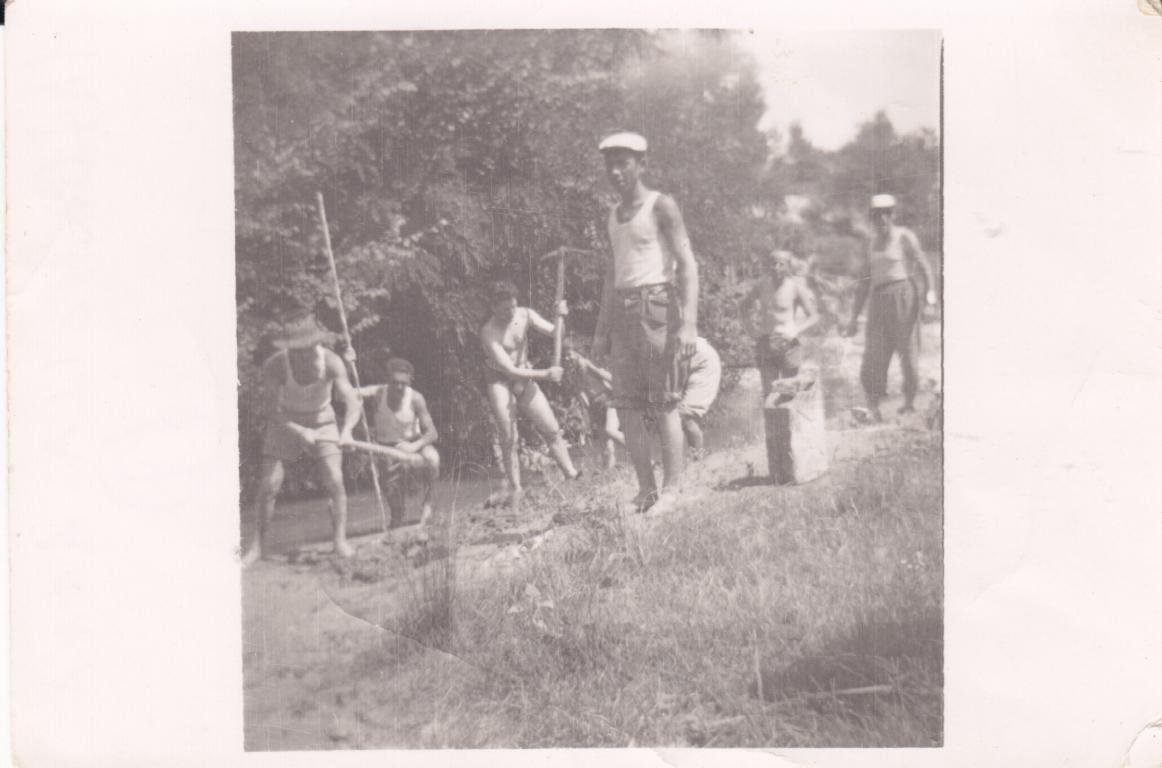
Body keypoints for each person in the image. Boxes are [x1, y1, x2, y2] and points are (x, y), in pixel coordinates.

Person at [592, 131, 699, 515]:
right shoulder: (611, 215)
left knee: (664, 401)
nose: (616, 171)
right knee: (626, 405)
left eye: (623, 163)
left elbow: (687, 265)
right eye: (610, 164)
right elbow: (612, 275)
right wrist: (601, 331)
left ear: (641, 165)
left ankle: (672, 490)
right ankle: (646, 490)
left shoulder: (661, 206)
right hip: (622, 312)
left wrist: (689, 324)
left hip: (657, 307)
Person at [242, 311, 362, 567]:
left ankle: (339, 541)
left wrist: (348, 431)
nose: (301, 354)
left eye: (305, 348)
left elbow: (352, 401)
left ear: (315, 343)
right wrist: (300, 431)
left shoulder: (332, 362)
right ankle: (257, 547)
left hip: (323, 419)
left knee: (335, 479)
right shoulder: (275, 365)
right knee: (269, 485)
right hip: (284, 421)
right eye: (295, 349)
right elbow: (271, 412)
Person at [479, 280, 581, 508]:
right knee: (509, 436)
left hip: (525, 375)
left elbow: (557, 333)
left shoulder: (525, 314)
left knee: (551, 428)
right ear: (493, 307)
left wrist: (560, 316)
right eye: (504, 309)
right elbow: (509, 370)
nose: (510, 312)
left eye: (513, 306)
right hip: (500, 381)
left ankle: (570, 473)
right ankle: (516, 488)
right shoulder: (488, 332)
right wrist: (546, 374)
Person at [842, 194, 937, 420]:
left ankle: (909, 404)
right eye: (877, 215)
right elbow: (863, 283)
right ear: (872, 217)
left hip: (903, 296)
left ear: (893, 215)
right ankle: (874, 405)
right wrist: (853, 318)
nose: (882, 219)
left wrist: (930, 301)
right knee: (873, 355)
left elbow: (924, 267)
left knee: (908, 353)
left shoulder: (904, 237)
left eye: (886, 214)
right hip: (879, 300)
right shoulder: (871, 243)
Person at [356, 356, 440, 527]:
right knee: (395, 505)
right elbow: (347, 392)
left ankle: (428, 505)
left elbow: (432, 433)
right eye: (395, 382)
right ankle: (397, 514)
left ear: (410, 380)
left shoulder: (415, 398)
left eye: (404, 383)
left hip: (412, 443)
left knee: (433, 458)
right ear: (388, 380)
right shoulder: (378, 393)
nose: (399, 387)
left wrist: (414, 446)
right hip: (386, 447)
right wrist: (347, 358)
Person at [739, 249, 820, 397]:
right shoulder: (761, 285)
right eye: (773, 264)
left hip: (788, 345)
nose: (776, 268)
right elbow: (743, 306)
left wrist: (796, 330)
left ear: (788, 266)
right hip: (766, 343)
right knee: (769, 394)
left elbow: (814, 316)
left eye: (781, 264)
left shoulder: (795, 287)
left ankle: (790, 404)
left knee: (788, 395)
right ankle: (772, 412)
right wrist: (751, 330)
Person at [564, 342, 625, 470]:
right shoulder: (572, 372)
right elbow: (581, 394)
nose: (567, 358)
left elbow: (608, 378)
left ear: (578, 353)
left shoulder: (585, 364)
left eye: (569, 354)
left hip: (608, 399)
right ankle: (609, 470)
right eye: (565, 356)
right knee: (605, 442)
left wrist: (621, 390)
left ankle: (644, 456)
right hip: (595, 404)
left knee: (610, 430)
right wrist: (589, 414)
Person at [677, 337, 722, 459]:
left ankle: (698, 460)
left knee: (685, 414)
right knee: (672, 413)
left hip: (700, 359)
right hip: (685, 355)